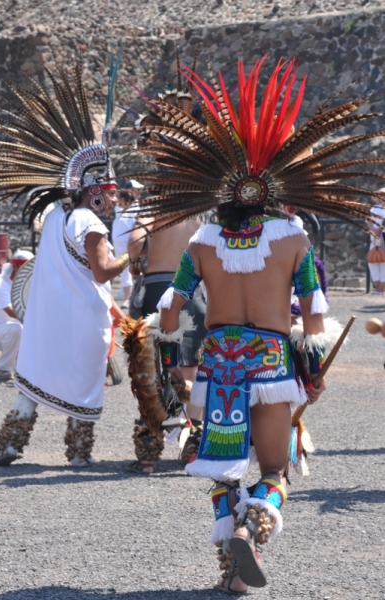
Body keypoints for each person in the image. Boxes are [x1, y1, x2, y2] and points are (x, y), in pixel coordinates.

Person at [127, 56, 381, 592]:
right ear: (274, 183)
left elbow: (170, 310)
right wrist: (312, 370)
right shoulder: (293, 237)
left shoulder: (203, 242)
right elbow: (313, 317)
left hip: (219, 369)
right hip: (270, 366)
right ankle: (256, 522)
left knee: (222, 473)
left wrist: (178, 362)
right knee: (275, 471)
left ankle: (232, 571)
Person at [0, 62, 128, 467]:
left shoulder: (53, 218)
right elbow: (102, 272)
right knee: (84, 383)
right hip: (82, 314)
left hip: (48, 314)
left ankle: (10, 445)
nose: (116, 201)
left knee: (32, 380)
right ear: (95, 191)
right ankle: (79, 454)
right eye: (112, 193)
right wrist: (127, 258)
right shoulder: (91, 221)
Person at [126, 216, 207, 473]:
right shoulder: (198, 216)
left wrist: (134, 262)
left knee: (153, 368)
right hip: (192, 292)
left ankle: (149, 454)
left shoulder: (154, 213)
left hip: (158, 288)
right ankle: (192, 449)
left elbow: (134, 241)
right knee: (190, 367)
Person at [0, 250, 34, 380]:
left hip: (22, 327)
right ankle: (5, 369)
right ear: (14, 266)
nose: (29, 272)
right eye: (25, 267)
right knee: (16, 329)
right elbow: (11, 312)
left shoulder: (32, 282)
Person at [111, 186, 141, 308]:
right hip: (118, 246)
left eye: (118, 198)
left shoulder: (135, 210)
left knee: (133, 271)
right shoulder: (119, 210)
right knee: (123, 272)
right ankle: (128, 297)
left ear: (123, 199)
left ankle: (132, 298)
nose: (115, 200)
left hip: (130, 246)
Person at [367, 188, 385, 295]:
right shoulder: (374, 208)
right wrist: (374, 230)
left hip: (384, 237)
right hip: (374, 237)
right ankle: (377, 285)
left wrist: (381, 229)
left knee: (384, 262)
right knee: (372, 260)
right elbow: (368, 220)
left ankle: (381, 288)